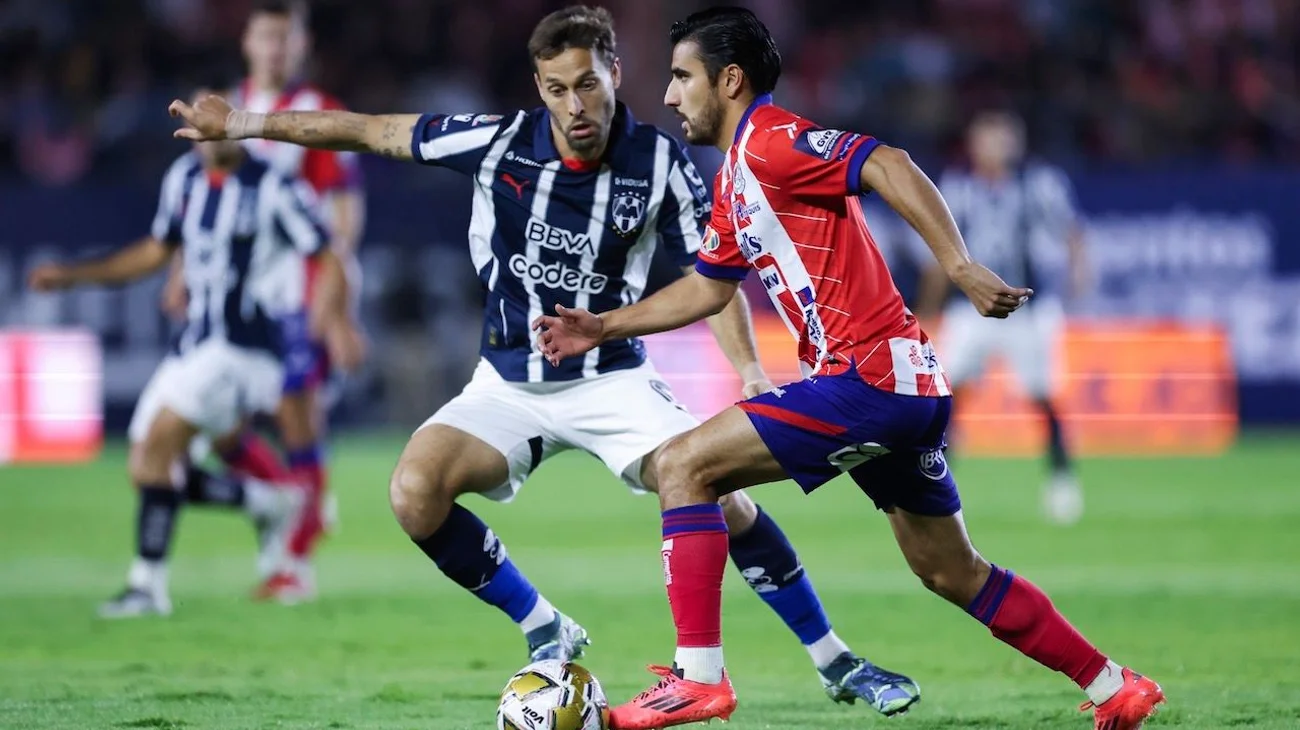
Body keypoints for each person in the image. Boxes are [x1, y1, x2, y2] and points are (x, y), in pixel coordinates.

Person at [166, 5, 922, 716]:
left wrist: (750, 371)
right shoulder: (497, 142)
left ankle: (836, 660)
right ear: (540, 88)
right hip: (507, 382)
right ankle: (544, 624)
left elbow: (713, 279)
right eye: (558, 89)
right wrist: (239, 122)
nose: (575, 105)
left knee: (717, 494)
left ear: (615, 73)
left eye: (588, 83)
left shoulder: (658, 162)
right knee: (413, 492)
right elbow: (367, 131)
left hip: (613, 378)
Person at [533, 8, 1165, 730]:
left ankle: (697, 677)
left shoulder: (773, 141)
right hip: (901, 385)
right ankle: (1115, 684)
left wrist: (957, 265)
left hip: (869, 377)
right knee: (951, 572)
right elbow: (710, 287)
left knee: (681, 465)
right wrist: (604, 325)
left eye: (683, 77)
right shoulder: (738, 177)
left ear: (729, 80)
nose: (670, 95)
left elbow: (888, 162)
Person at [27, 87, 358, 618]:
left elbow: (328, 253)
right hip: (195, 345)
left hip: (245, 348)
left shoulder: (273, 185)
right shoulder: (182, 180)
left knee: (156, 449)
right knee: (148, 467)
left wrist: (334, 321)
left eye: (212, 125)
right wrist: (74, 276)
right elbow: (156, 250)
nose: (203, 137)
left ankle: (147, 586)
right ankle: (268, 501)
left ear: (229, 125)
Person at [162, 0, 369, 602]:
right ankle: (295, 499)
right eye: (265, 37)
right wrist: (181, 269)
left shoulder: (320, 113)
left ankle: (293, 562)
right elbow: (205, 191)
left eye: (285, 38)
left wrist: (333, 303)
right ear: (248, 44)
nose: (275, 49)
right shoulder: (224, 106)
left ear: (299, 45)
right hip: (228, 298)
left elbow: (342, 212)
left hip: (291, 293)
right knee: (221, 431)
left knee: (297, 416)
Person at [916, 110, 1087, 524]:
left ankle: (1062, 478)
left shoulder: (1039, 184)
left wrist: (1076, 284)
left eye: (1003, 138)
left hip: (1026, 307)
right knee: (946, 395)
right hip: (971, 310)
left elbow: (1072, 234)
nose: (995, 147)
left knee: (1043, 395)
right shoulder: (957, 187)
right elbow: (940, 255)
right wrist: (927, 308)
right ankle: (938, 482)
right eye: (987, 138)